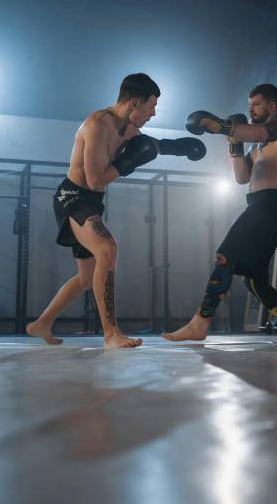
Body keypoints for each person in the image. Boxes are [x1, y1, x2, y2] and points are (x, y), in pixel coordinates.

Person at [26, 73, 205, 349]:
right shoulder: (97, 125)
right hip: (73, 197)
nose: (153, 114)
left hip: (92, 202)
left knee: (87, 278)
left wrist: (182, 148)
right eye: (151, 106)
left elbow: (152, 146)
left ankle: (42, 323)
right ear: (134, 102)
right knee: (107, 249)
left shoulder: (129, 129)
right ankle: (111, 335)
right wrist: (129, 162)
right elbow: (95, 180)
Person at [164, 83, 277, 344]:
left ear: (272, 106)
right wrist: (234, 143)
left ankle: (200, 322)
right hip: (259, 204)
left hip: (270, 204)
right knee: (254, 279)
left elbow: (256, 132)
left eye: (256, 104)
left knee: (226, 254)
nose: (251, 109)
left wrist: (220, 126)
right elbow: (241, 177)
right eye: (249, 105)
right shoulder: (256, 148)